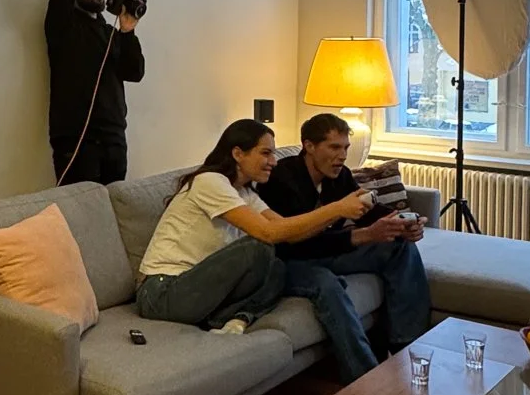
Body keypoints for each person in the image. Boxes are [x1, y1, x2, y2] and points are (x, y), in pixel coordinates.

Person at [136, 119, 374, 335]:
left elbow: (286, 230)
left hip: (200, 290)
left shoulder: (246, 193)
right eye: (266, 153)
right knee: (258, 247)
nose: (273, 161)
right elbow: (267, 233)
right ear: (238, 153)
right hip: (161, 292)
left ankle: (237, 320)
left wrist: (338, 216)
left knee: (278, 266)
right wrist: (337, 209)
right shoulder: (210, 182)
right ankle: (230, 317)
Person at [258, 112, 431, 381]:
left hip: (327, 251)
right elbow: (293, 242)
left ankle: (407, 348)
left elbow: (369, 209)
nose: (342, 155)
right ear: (309, 146)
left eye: (346, 148)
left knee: (399, 246)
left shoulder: (340, 176)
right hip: (289, 260)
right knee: (328, 284)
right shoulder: (281, 179)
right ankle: (364, 379)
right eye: (334, 147)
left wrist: (401, 224)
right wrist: (362, 236)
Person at [46, 0, 146, 185]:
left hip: (114, 137)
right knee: (81, 213)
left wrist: (127, 32)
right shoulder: (64, 25)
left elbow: (134, 72)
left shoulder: (109, 33)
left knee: (112, 210)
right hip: (78, 139)